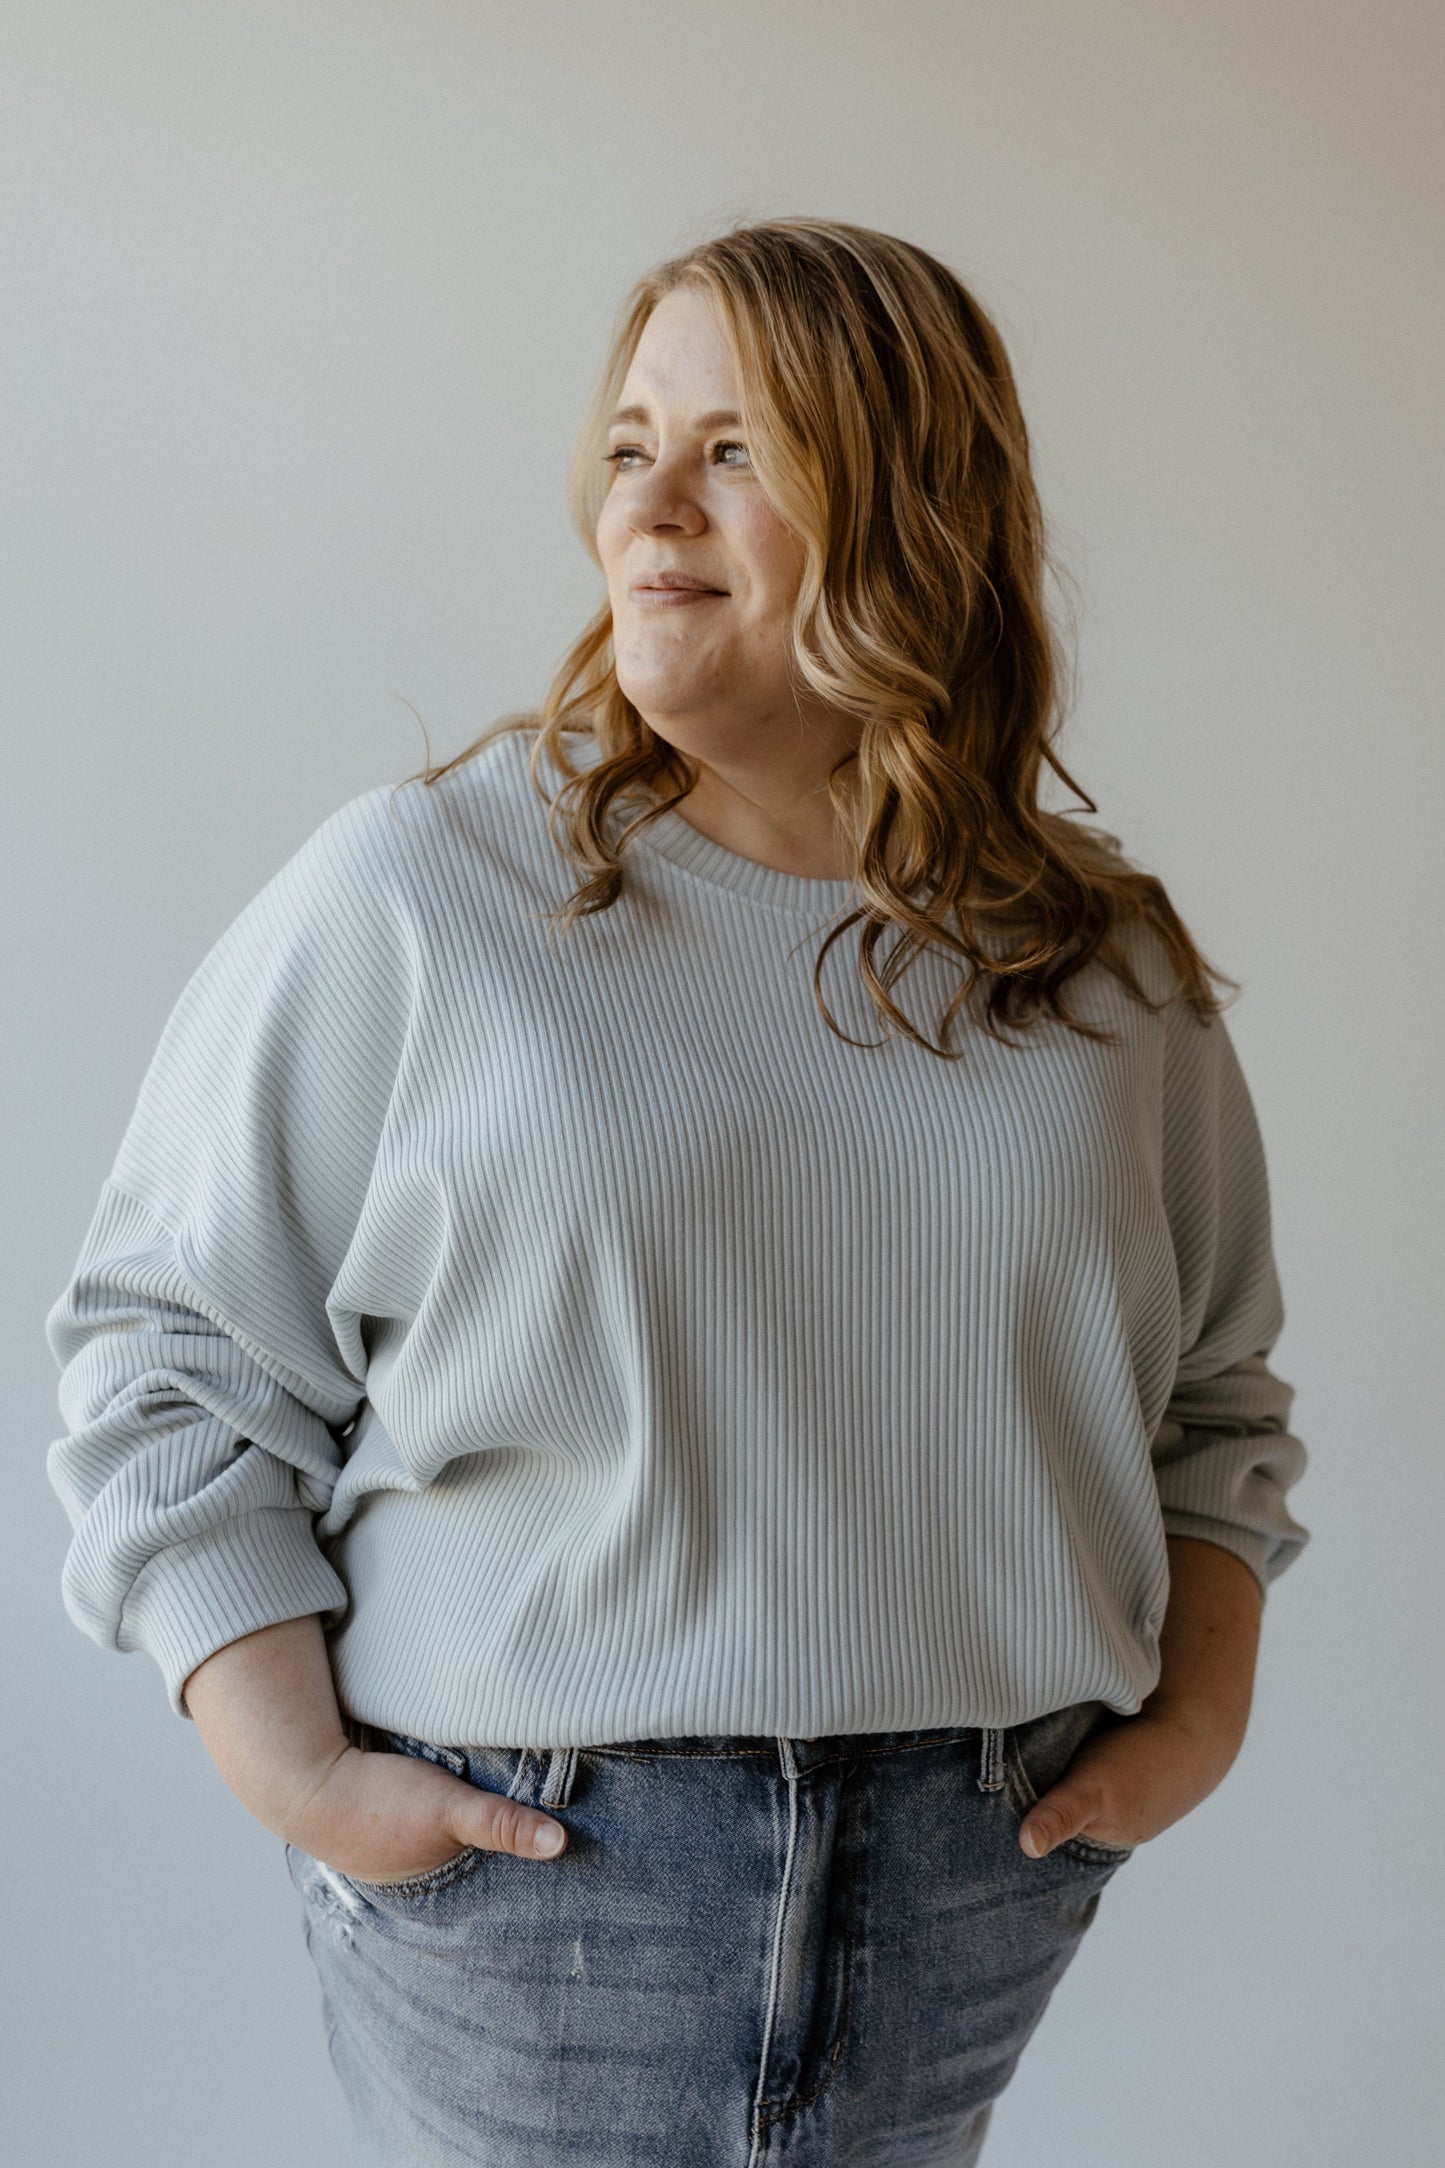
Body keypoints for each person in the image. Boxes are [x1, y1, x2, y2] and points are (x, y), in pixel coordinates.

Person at [45, 217, 1309, 2167]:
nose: (650, 499)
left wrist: (1194, 1728)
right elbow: (168, 1347)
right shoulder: (422, 898)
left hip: (974, 1877)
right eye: (631, 440)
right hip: (538, 1879)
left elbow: (1215, 1407)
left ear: (909, 501)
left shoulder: (1100, 963)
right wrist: (287, 1763)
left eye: (737, 447)